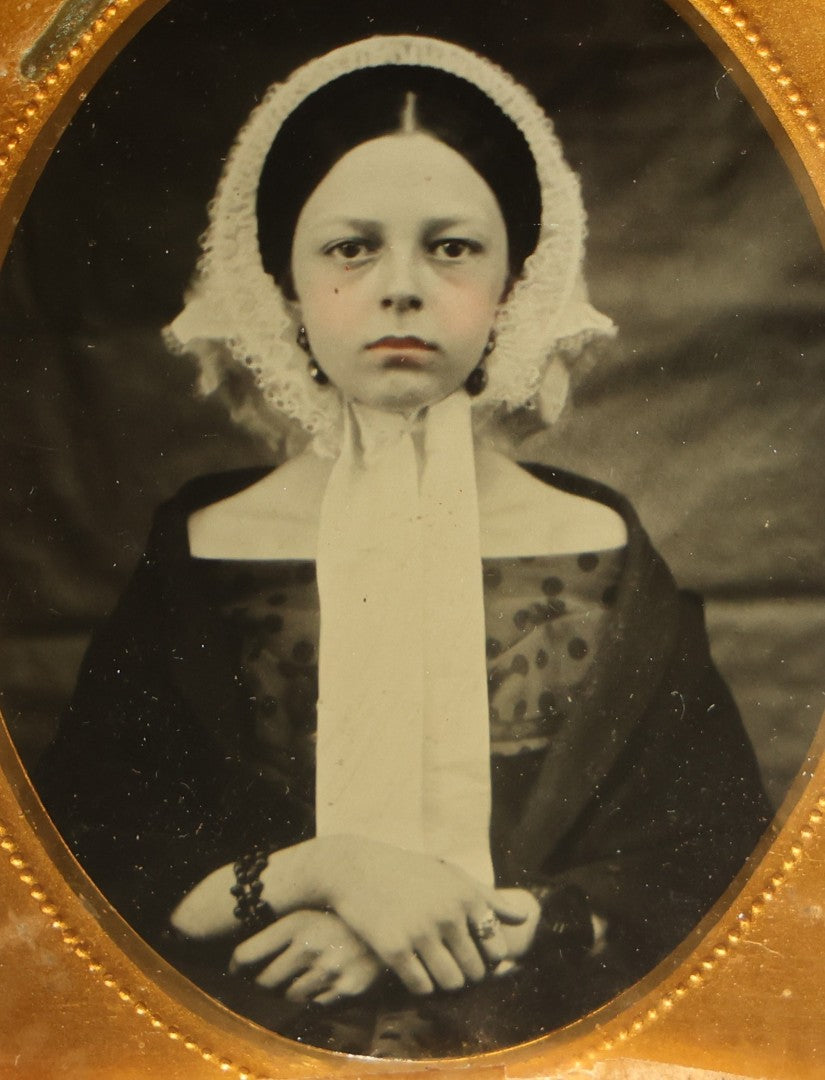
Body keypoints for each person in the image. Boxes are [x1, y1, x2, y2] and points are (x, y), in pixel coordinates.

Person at [34, 35, 771, 1058]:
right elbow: (84, 871)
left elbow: (712, 868)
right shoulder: (203, 550)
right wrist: (330, 873)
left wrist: (524, 925)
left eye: (452, 247)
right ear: (281, 284)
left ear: (518, 280)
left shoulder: (599, 545)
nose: (402, 288)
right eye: (350, 247)